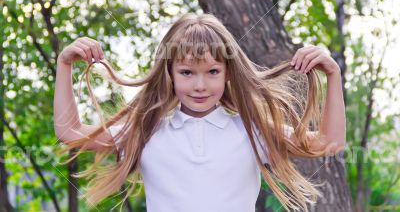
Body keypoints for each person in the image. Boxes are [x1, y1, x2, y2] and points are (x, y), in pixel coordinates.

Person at [54, 13, 346, 212]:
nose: (200, 85)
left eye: (213, 71)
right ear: (169, 73)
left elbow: (328, 143)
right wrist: (64, 65)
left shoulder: (251, 131)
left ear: (228, 73)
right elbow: (70, 133)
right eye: (187, 72)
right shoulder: (147, 131)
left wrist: (332, 75)